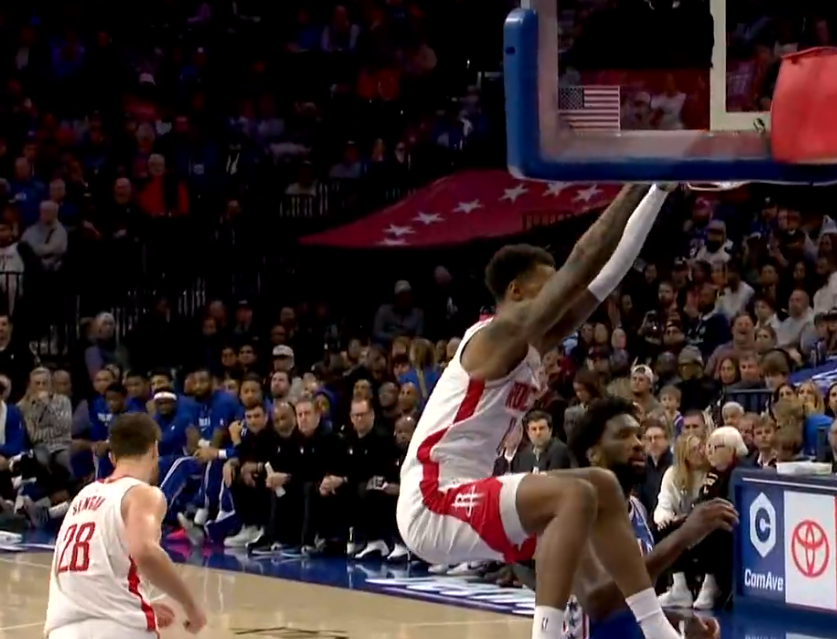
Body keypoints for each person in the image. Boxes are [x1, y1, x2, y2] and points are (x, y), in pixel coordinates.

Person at [397, 184, 684, 639]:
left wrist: (659, 192)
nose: (560, 293)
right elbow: (583, 261)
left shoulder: (531, 342)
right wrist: (637, 182)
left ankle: (657, 629)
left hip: (464, 492)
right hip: (431, 500)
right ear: (516, 291)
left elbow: (605, 277)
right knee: (573, 495)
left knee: (602, 486)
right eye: (546, 286)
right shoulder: (494, 337)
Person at [561, 398, 737, 638]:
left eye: (638, 435)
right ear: (593, 454)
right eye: (623, 435)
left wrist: (679, 621)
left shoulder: (637, 509)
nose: (637, 444)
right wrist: (683, 537)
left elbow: (633, 604)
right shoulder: (576, 514)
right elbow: (596, 602)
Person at [44, 413, 207, 639]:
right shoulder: (143, 494)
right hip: (119, 629)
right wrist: (191, 606)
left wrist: (137, 605)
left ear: (112, 457)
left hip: (63, 630)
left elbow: (92, 570)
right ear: (154, 450)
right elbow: (145, 552)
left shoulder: (84, 495)